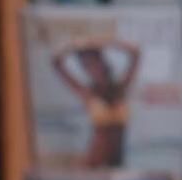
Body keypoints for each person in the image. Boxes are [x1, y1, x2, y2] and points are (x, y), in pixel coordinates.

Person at [48, 35, 142, 166]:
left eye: (92, 63)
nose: (90, 69)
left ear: (101, 61)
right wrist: (74, 44)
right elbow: (56, 63)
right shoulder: (87, 93)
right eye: (86, 66)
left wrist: (105, 42)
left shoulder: (121, 88)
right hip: (94, 159)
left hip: (117, 158)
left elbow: (136, 54)